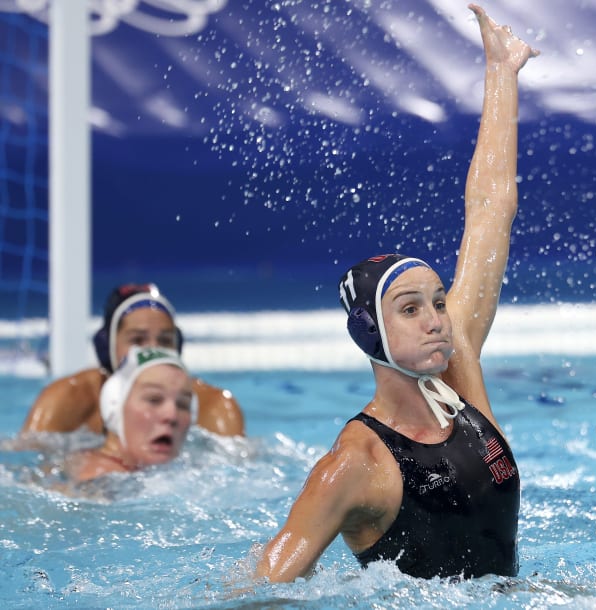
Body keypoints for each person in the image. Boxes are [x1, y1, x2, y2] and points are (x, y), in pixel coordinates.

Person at [253, 4, 537, 582]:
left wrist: (501, 74)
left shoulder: (459, 373)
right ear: (368, 332)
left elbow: (490, 211)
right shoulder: (354, 465)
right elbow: (264, 586)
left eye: (437, 301)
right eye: (411, 309)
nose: (438, 319)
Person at [20, 283, 245, 437]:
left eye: (165, 341)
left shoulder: (213, 406)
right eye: (138, 340)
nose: (153, 352)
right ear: (106, 348)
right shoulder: (68, 399)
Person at [62, 346, 196, 483]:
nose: (172, 416)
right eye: (154, 399)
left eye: (183, 404)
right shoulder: (101, 478)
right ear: (114, 404)